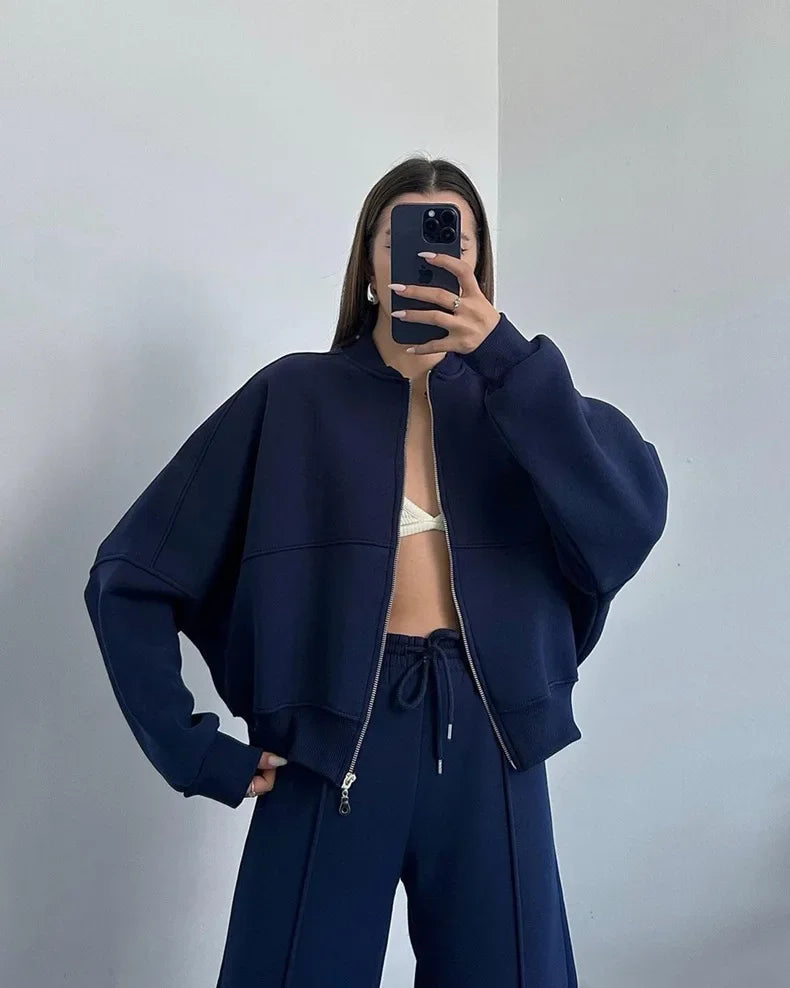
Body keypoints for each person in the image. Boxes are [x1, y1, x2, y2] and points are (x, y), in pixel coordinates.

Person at [83, 155, 668, 987]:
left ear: (479, 261)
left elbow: (625, 524)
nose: (428, 256)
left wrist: (505, 358)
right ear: (368, 261)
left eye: (452, 238)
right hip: (328, 742)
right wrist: (193, 751)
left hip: (490, 740)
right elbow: (128, 577)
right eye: (403, 239)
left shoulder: (527, 403)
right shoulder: (292, 397)